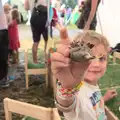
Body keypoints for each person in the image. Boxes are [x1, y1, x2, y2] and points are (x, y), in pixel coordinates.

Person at [51, 28, 117, 120]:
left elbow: (90, 103)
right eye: (88, 57)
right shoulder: (77, 89)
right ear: (74, 61)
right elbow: (66, 104)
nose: (96, 64)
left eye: (101, 59)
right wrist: (68, 87)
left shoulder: (92, 84)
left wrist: (103, 98)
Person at [0, 0, 9, 88]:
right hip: (3, 29)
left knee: (3, 56)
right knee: (3, 55)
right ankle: (4, 78)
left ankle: (3, 78)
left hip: (2, 30)